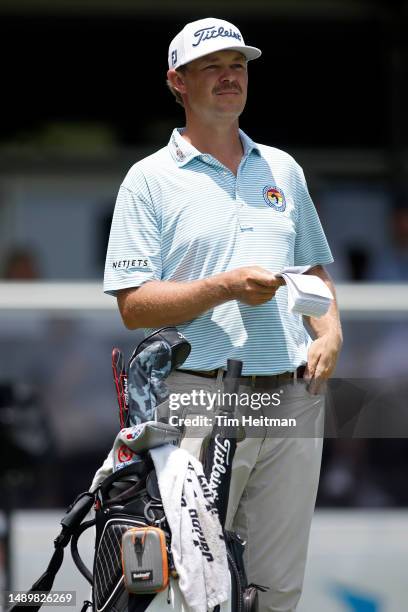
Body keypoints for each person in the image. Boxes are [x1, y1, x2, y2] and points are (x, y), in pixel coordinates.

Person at [104, 17, 342, 612]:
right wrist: (225, 287)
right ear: (177, 82)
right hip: (198, 397)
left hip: (291, 397)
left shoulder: (283, 169)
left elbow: (313, 271)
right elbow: (133, 305)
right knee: (205, 588)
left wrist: (331, 331)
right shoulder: (148, 180)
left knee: (277, 589)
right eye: (211, 67)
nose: (229, 76)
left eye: (237, 65)